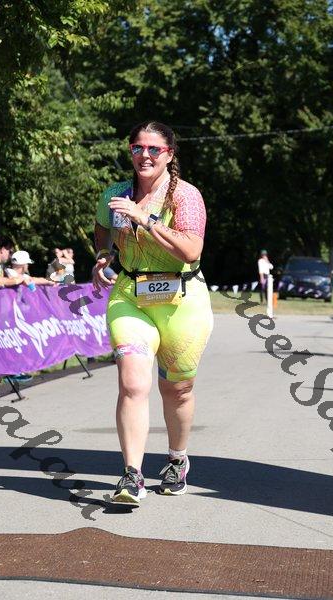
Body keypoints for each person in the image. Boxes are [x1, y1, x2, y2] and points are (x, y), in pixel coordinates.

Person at [93, 120, 213, 506]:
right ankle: (132, 475)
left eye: (153, 149)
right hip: (130, 295)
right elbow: (102, 227)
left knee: (177, 389)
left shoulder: (185, 196)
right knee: (132, 383)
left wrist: (144, 218)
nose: (144, 155)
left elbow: (191, 250)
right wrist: (103, 254)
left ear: (169, 154)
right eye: (137, 148)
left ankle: (177, 459)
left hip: (181, 299)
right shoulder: (115, 195)